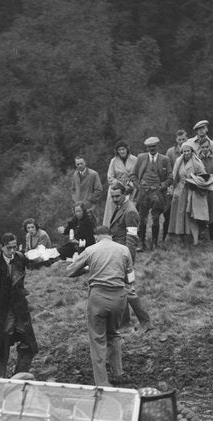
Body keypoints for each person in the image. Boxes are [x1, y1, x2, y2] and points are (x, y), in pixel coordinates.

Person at [65, 225, 133, 387]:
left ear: (96, 236)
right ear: (110, 236)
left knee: (97, 339)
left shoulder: (91, 250)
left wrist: (88, 268)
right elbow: (130, 277)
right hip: (119, 297)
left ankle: (102, 382)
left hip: (98, 297)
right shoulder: (124, 250)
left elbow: (70, 271)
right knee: (114, 334)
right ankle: (118, 373)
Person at [0, 233, 38, 378]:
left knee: (29, 344)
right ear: (1, 247)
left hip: (20, 308)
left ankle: (19, 377)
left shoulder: (20, 258)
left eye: (14, 247)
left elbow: (20, 278)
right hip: (2, 311)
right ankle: (1, 382)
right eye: (8, 248)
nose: (12, 251)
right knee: (1, 349)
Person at [106, 185, 153, 333]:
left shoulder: (130, 211)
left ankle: (145, 321)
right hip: (117, 255)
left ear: (124, 194)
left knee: (128, 290)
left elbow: (132, 240)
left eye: (117, 196)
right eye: (112, 196)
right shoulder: (121, 206)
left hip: (124, 257)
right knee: (121, 289)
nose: (114, 199)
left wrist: (129, 262)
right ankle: (125, 323)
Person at [168, 142, 210, 245]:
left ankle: (193, 237)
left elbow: (204, 176)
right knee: (179, 213)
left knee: (191, 214)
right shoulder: (179, 161)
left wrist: (195, 180)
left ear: (192, 151)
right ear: (182, 152)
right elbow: (175, 176)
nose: (186, 153)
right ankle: (179, 235)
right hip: (180, 189)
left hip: (192, 190)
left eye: (188, 151)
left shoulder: (197, 162)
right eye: (184, 151)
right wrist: (173, 188)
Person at [133, 136, 171, 250]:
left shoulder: (165, 159)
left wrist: (162, 186)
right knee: (142, 218)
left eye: (154, 146)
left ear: (157, 146)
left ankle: (154, 243)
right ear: (147, 148)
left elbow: (170, 177)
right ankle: (141, 242)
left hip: (158, 194)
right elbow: (133, 174)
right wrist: (138, 186)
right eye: (149, 147)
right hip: (143, 193)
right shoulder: (141, 158)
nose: (152, 149)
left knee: (155, 218)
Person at [103, 141, 137, 224]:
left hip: (130, 188)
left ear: (127, 149)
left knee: (130, 209)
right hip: (116, 187)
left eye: (123, 149)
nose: (121, 151)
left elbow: (137, 175)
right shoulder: (113, 161)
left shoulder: (135, 159)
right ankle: (109, 228)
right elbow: (110, 177)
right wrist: (121, 186)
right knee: (112, 207)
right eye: (119, 150)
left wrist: (130, 185)